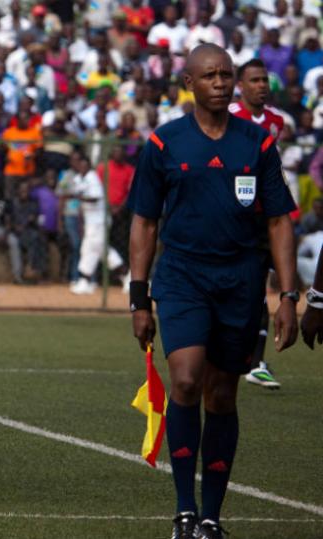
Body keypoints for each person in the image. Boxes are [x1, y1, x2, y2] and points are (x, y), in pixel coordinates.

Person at [128, 44, 297, 539]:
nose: (221, 83)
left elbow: (279, 223)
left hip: (242, 281)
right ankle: (184, 510)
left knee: (222, 394)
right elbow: (143, 221)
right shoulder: (164, 143)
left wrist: (287, 296)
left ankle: (211, 518)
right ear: (189, 83)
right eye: (211, 75)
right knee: (184, 380)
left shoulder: (259, 143)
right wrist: (139, 298)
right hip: (181, 277)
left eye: (227, 75)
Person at [229, 58, 286, 390]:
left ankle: (257, 362)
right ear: (241, 85)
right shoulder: (231, 116)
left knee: (259, 288)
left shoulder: (277, 122)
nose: (261, 85)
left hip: (261, 216)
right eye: (254, 80)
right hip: (231, 215)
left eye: (264, 80)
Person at [68, 153, 126, 295]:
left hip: (99, 220)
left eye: (82, 163)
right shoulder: (77, 179)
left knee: (90, 249)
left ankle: (85, 280)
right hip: (89, 221)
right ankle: (127, 276)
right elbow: (80, 203)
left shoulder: (92, 177)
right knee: (102, 251)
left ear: (87, 165)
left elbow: (94, 198)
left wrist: (79, 197)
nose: (79, 166)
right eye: (76, 163)